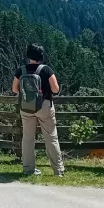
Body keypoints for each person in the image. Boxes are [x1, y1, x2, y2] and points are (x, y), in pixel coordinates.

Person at [12, 43, 64, 177]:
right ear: (41, 56)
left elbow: (14, 89)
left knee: (28, 138)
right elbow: (55, 89)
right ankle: (58, 171)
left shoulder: (21, 70)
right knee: (51, 138)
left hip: (26, 107)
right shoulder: (46, 70)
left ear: (28, 55)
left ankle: (28, 169)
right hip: (44, 106)